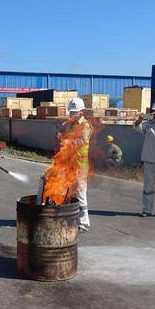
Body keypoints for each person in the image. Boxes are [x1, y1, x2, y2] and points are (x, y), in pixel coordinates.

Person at [58, 97, 93, 232]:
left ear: (81, 112)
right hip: (68, 164)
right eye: (70, 112)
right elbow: (61, 134)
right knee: (68, 193)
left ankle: (84, 223)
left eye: (74, 112)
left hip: (80, 165)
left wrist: (66, 141)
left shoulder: (85, 125)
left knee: (80, 193)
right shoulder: (68, 124)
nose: (71, 114)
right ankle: (70, 219)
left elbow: (81, 141)